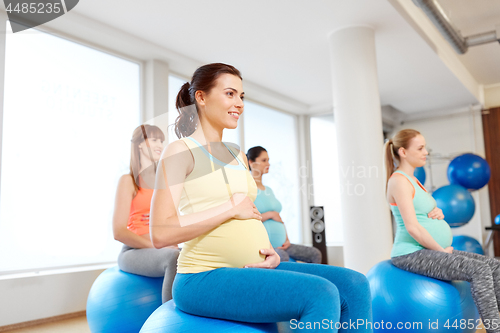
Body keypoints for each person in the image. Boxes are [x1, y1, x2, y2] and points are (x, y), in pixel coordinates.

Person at [150, 63, 372, 332]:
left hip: (254, 268)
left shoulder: (238, 155)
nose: (239, 103)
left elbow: (250, 212)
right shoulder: (180, 151)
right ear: (201, 97)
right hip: (202, 276)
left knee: (355, 285)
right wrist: (228, 209)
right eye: (230, 94)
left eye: (241, 96)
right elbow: (160, 232)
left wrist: (272, 253)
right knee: (321, 293)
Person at [385, 129, 500, 332]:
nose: (425, 152)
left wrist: (436, 211)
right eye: (420, 148)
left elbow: (420, 212)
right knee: (479, 270)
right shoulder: (398, 180)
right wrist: (440, 250)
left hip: (431, 249)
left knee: (494, 265)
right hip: (411, 253)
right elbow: (412, 227)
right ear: (403, 152)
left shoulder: (415, 181)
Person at [112, 124, 180, 303]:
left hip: (161, 247)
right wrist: (155, 245)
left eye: (162, 141)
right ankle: (169, 321)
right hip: (133, 251)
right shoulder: (128, 181)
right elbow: (118, 231)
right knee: (173, 257)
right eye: (154, 140)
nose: (160, 144)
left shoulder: (163, 184)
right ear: (140, 145)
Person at [247, 146, 322, 263]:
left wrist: (287, 239)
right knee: (282, 256)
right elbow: (247, 218)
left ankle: (315, 282)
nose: (268, 164)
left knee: (315, 254)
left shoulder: (269, 190)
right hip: (267, 246)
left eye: (268, 160)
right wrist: (270, 214)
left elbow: (279, 218)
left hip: (283, 243)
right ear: (251, 162)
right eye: (264, 160)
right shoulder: (248, 189)